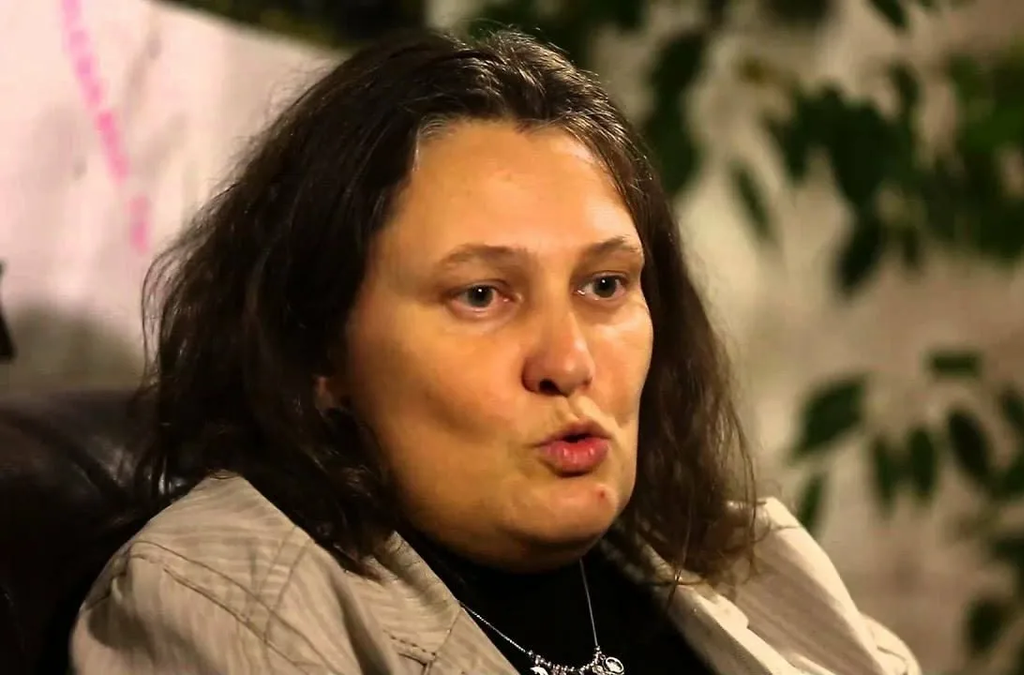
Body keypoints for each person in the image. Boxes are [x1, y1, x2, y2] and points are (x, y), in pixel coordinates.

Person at [70, 28, 920, 675]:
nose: (569, 361)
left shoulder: (754, 562)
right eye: (481, 295)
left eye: (605, 285)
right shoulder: (220, 602)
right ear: (319, 348)